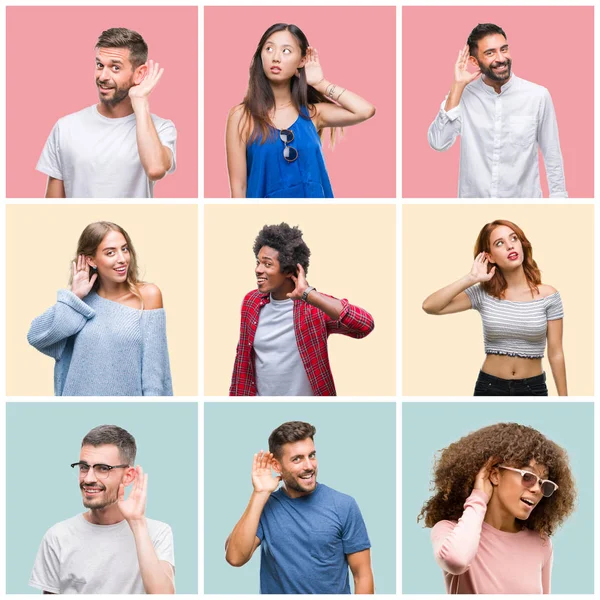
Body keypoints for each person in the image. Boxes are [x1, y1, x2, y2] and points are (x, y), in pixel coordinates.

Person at [418, 422, 576, 594]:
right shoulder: (450, 530)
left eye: (543, 483)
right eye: (528, 476)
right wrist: (479, 497)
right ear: (494, 475)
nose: (537, 489)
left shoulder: (541, 543)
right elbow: (457, 561)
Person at [226, 23, 376, 198]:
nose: (276, 58)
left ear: (302, 60)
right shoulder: (241, 117)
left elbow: (365, 110)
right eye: (269, 49)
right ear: (261, 55)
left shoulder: (313, 114)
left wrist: (321, 84)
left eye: (286, 51)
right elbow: (239, 188)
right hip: (266, 221)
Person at [225, 421, 374, 593]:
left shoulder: (344, 505)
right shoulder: (265, 506)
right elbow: (235, 558)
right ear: (276, 466)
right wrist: (259, 493)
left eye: (312, 455)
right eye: (297, 459)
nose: (309, 466)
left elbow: (362, 575)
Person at [422, 219, 566, 396]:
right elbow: (430, 306)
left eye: (514, 239)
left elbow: (556, 352)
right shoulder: (484, 293)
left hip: (533, 387)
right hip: (489, 385)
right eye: (500, 243)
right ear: (489, 256)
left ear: (522, 244)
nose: (510, 246)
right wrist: (471, 278)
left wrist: (564, 398)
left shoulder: (549, 296)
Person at [27, 221, 173, 396]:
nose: (122, 259)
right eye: (110, 252)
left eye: (124, 249)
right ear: (91, 260)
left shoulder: (148, 296)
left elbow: (155, 375)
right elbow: (37, 336)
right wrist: (75, 296)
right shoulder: (79, 305)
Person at [229, 223, 374, 396]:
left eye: (267, 264)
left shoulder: (314, 307)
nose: (258, 270)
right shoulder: (251, 302)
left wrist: (309, 295)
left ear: (289, 270)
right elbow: (243, 361)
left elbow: (364, 325)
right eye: (258, 262)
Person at [30, 425, 175, 594]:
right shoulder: (57, 536)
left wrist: (137, 523)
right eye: (84, 467)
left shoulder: (157, 533)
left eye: (103, 468)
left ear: (128, 476)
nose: (89, 478)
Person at [427, 23, 567, 198]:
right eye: (490, 53)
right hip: (473, 206)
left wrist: (559, 200)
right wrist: (457, 87)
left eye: (504, 49)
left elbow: (552, 153)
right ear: (474, 61)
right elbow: (438, 143)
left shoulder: (537, 96)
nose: (501, 58)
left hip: (524, 205)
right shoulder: (462, 96)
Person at [37, 28, 176, 198]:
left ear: (139, 73)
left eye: (115, 68)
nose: (103, 76)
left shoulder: (161, 128)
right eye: (100, 65)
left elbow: (155, 169)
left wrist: (140, 100)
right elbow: (53, 207)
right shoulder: (65, 127)